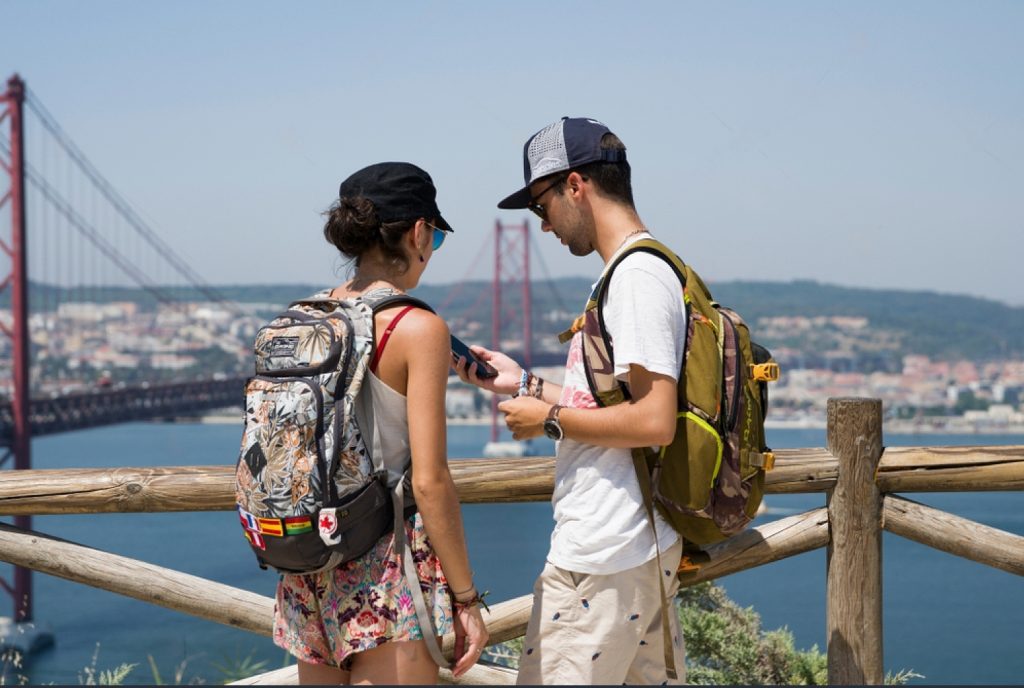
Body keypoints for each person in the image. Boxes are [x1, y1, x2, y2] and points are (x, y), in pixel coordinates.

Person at [454, 118, 686, 684]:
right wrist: (526, 386)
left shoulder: (635, 278)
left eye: (541, 205)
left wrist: (549, 421)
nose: (542, 226)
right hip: (632, 551)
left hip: (604, 552)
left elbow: (654, 421)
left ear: (575, 186)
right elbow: (614, 403)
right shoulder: (631, 272)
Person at [274, 162, 488, 684]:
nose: (432, 249)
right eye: (435, 235)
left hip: (308, 562)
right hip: (386, 570)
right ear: (418, 232)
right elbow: (430, 481)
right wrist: (465, 600)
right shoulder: (418, 327)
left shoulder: (306, 317)